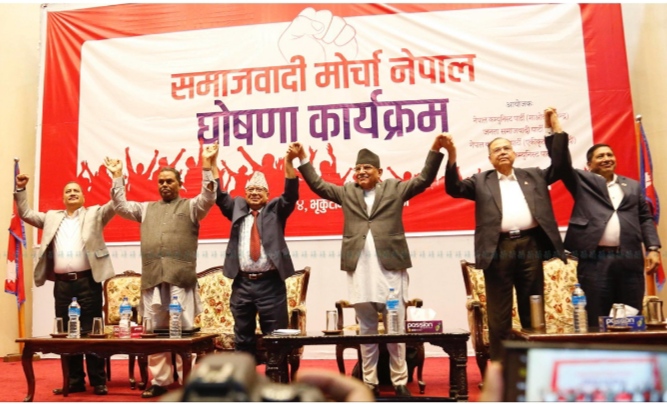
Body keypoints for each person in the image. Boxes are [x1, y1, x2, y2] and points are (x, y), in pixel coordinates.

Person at [291, 136, 446, 397]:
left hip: (391, 271)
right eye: (358, 168)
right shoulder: (347, 192)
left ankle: (399, 381)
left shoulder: (394, 189)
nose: (361, 171)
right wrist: (303, 158)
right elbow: (318, 185)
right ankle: (370, 381)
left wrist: (435, 149)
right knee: (366, 329)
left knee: (395, 328)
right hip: (360, 271)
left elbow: (424, 179)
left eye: (367, 168)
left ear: (379, 172)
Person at [442, 124, 567, 362]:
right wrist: (452, 156)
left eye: (506, 148)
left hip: (530, 246)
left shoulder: (533, 175)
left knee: (533, 307)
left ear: (514, 153)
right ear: (490, 158)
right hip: (498, 249)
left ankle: (533, 363)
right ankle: (501, 366)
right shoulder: (482, 181)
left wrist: (555, 131)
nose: (502, 152)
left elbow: (560, 167)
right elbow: (454, 189)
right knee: (499, 314)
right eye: (496, 150)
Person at [104, 143, 219, 399]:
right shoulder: (145, 209)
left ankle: (187, 380)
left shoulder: (192, 207)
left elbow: (209, 196)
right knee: (155, 332)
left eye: (169, 181)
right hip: (153, 278)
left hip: (180, 278)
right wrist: (117, 176)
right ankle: (160, 380)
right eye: (161, 182)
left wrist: (207, 165)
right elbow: (121, 206)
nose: (165, 185)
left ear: (180, 184)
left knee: (183, 332)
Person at [546, 108, 661, 326]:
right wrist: (556, 130)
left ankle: (629, 350)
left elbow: (645, 218)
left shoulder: (632, 186)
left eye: (610, 155)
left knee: (630, 317)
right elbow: (560, 164)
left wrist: (653, 248)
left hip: (629, 260)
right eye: (600, 156)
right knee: (596, 317)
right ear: (589, 165)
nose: (607, 158)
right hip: (595, 262)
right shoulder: (582, 182)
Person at [14, 175, 114, 396]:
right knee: (66, 334)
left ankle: (98, 381)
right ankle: (74, 381)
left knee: (92, 333)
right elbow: (26, 213)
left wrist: (116, 179)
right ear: (63, 198)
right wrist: (20, 189)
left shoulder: (95, 213)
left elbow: (115, 204)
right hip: (62, 286)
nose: (72, 193)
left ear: (83, 196)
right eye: (68, 191)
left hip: (88, 282)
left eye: (76, 190)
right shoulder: (51, 217)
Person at [211, 145, 299, 358]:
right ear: (245, 194)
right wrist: (212, 163)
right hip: (242, 284)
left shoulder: (275, 210)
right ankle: (246, 375)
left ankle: (276, 377)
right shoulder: (237, 209)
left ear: (267, 195)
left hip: (271, 285)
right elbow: (219, 195)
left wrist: (288, 162)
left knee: (275, 338)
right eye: (250, 190)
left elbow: (290, 195)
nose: (254, 193)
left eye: (259, 190)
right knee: (243, 338)